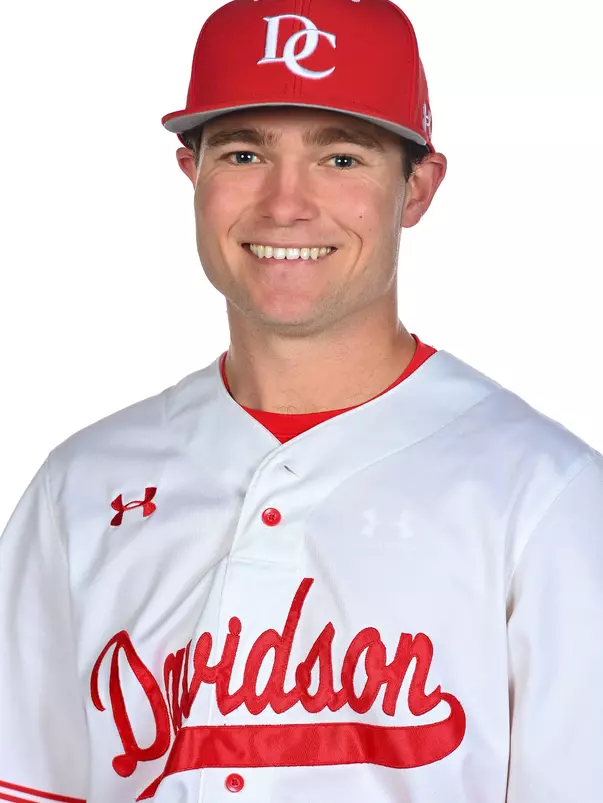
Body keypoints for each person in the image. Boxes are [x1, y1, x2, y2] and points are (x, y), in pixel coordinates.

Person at [1, 0, 601, 800]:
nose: (285, 204)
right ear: (193, 176)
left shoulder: (545, 496)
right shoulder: (79, 486)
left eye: (341, 159)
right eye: (244, 153)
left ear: (416, 189)